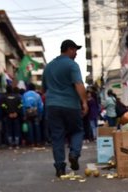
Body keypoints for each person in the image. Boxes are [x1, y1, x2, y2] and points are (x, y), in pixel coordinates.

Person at [42, 39, 88, 177]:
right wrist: (84, 102)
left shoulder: (48, 67)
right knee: (77, 131)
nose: (76, 54)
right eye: (75, 51)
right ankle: (74, 154)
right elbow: (79, 84)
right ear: (69, 49)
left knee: (57, 136)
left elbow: (44, 89)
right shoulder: (72, 65)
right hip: (70, 105)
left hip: (52, 105)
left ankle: (60, 167)